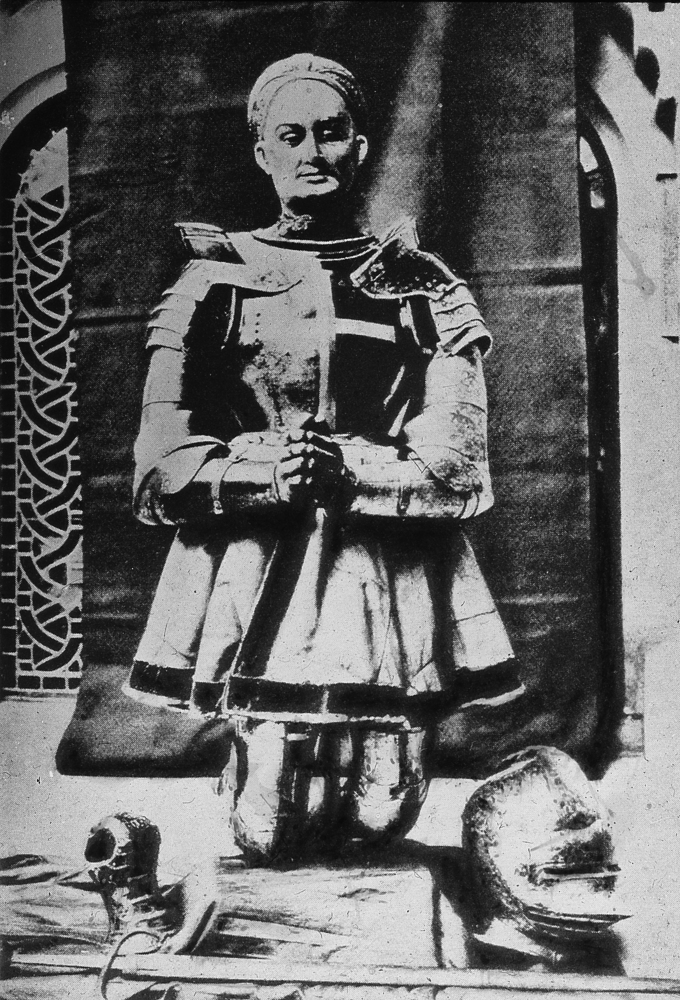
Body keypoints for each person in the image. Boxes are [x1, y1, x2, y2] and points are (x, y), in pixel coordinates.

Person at [126, 54, 523, 862]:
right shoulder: (211, 280)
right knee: (267, 827)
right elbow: (159, 465)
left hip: (385, 555)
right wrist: (264, 475)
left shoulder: (423, 286)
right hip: (252, 551)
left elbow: (458, 466)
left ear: (361, 146)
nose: (312, 152)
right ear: (262, 153)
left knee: (383, 815)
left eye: (331, 133)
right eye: (290, 135)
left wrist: (356, 474)